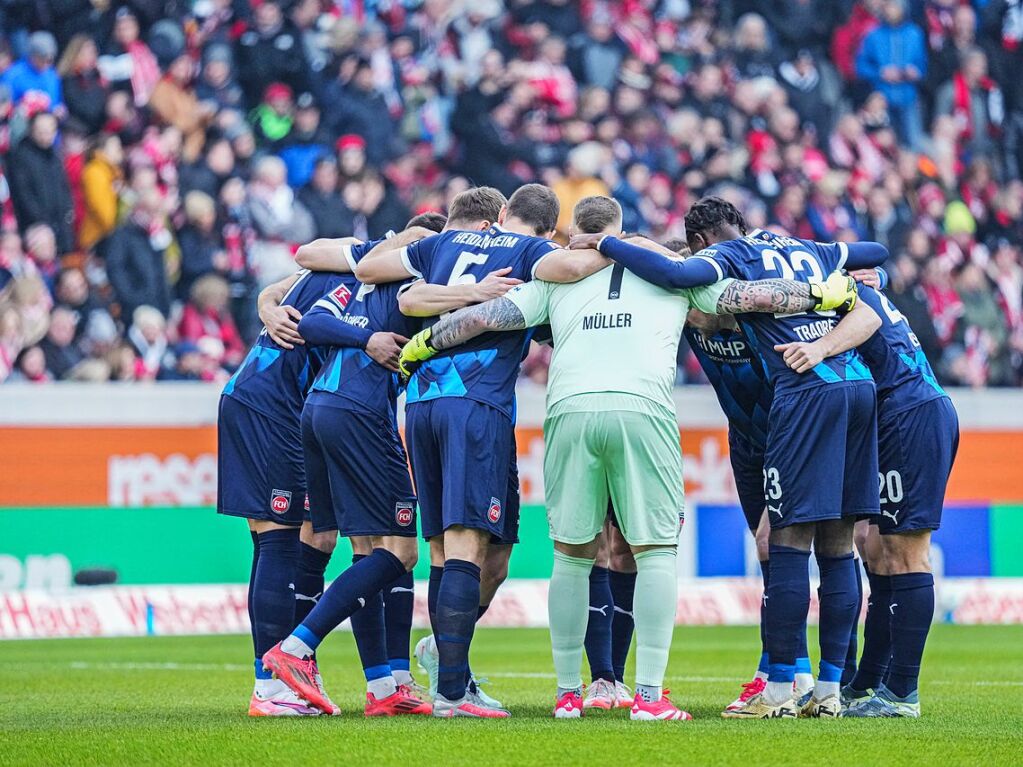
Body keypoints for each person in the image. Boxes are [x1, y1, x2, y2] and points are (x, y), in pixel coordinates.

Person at [397, 196, 860, 721]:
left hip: (569, 411)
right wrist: (821, 291)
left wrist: (421, 347)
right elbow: (752, 296)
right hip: (641, 410)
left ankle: (570, 694)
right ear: (623, 233)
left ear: (581, 233)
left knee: (572, 556)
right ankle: (649, 697)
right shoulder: (673, 277)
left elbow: (483, 317)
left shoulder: (558, 280)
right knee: (654, 553)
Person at [587, 196, 888, 718]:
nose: (701, 311)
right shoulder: (712, 299)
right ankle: (805, 678)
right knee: (792, 546)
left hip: (797, 414)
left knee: (788, 543)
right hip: (754, 437)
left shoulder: (733, 287)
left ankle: (783, 680)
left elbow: (679, 276)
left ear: (705, 251)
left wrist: (609, 241)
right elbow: (870, 252)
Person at [353, 184, 613, 717]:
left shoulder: (445, 243)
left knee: (466, 552)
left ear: (502, 213)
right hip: (475, 405)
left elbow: (387, 283)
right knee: (468, 544)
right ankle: (451, 691)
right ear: (547, 228)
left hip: (421, 406)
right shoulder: (533, 253)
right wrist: (609, 246)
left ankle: (449, 665)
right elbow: (569, 270)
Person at [263, 215, 461, 718]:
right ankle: (296, 648)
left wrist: (366, 334)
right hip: (359, 411)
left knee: (365, 549)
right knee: (399, 551)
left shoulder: (363, 285)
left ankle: (382, 685)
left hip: (320, 408)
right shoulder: (418, 283)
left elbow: (311, 320)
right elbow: (312, 322)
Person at [781, 271, 959, 719]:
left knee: (906, 552)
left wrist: (819, 346)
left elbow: (868, 319)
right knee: (873, 547)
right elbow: (879, 266)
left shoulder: (835, 293)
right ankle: (869, 682)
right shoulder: (848, 284)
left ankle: (902, 693)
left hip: (909, 412)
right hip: (898, 414)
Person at [216, 232, 366, 717]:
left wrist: (266, 302)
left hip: (256, 397)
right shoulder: (362, 277)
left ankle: (285, 676)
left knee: (284, 540)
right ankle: (269, 688)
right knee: (279, 541)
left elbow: (280, 286)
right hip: (271, 408)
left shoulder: (333, 268)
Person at [856, 0, 928, 150]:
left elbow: (923, 64)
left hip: (908, 96)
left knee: (913, 142)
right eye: (888, 6)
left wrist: (915, 72)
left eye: (895, 6)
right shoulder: (873, 35)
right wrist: (880, 73)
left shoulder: (915, 34)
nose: (891, 10)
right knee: (886, 144)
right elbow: (860, 66)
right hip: (883, 97)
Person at [8, 111, 74, 254]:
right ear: (32, 130)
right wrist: (43, 220)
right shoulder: (20, 156)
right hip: (36, 226)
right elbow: (23, 194)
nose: (46, 136)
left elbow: (63, 186)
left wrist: (67, 209)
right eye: (42, 132)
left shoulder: (54, 155)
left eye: (51, 131)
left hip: (60, 223)